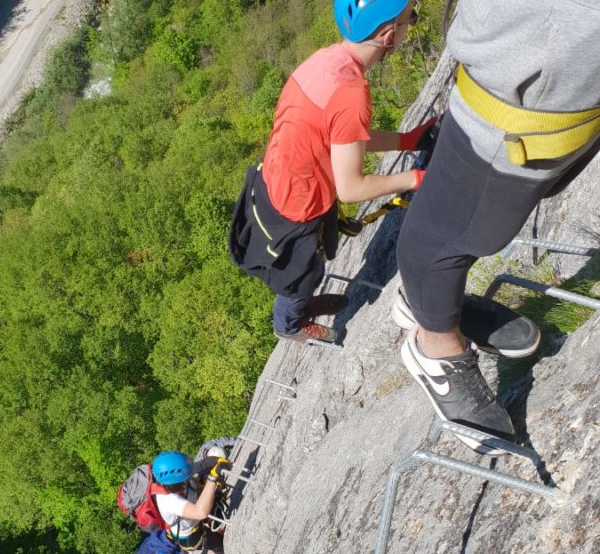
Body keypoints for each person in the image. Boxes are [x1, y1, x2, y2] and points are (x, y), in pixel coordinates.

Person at [395, 0, 600, 455]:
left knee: (486, 225)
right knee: (448, 236)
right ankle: (436, 344)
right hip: (523, 75)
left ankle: (430, 300)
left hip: (564, 80)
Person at [229, 0, 434, 346]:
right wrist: (415, 179)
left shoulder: (325, 61)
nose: (411, 23)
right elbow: (351, 188)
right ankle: (289, 323)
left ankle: (300, 303)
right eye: (408, 19)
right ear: (387, 35)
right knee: (300, 278)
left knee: (309, 271)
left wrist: (405, 141)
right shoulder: (351, 93)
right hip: (298, 207)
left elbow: (344, 138)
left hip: (275, 181)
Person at [150, 451, 229, 554]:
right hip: (190, 535)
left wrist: (213, 464)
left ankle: (214, 530)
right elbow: (200, 512)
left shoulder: (176, 478)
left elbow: (194, 483)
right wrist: (212, 479)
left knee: (214, 500)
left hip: (193, 519)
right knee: (219, 545)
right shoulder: (169, 500)